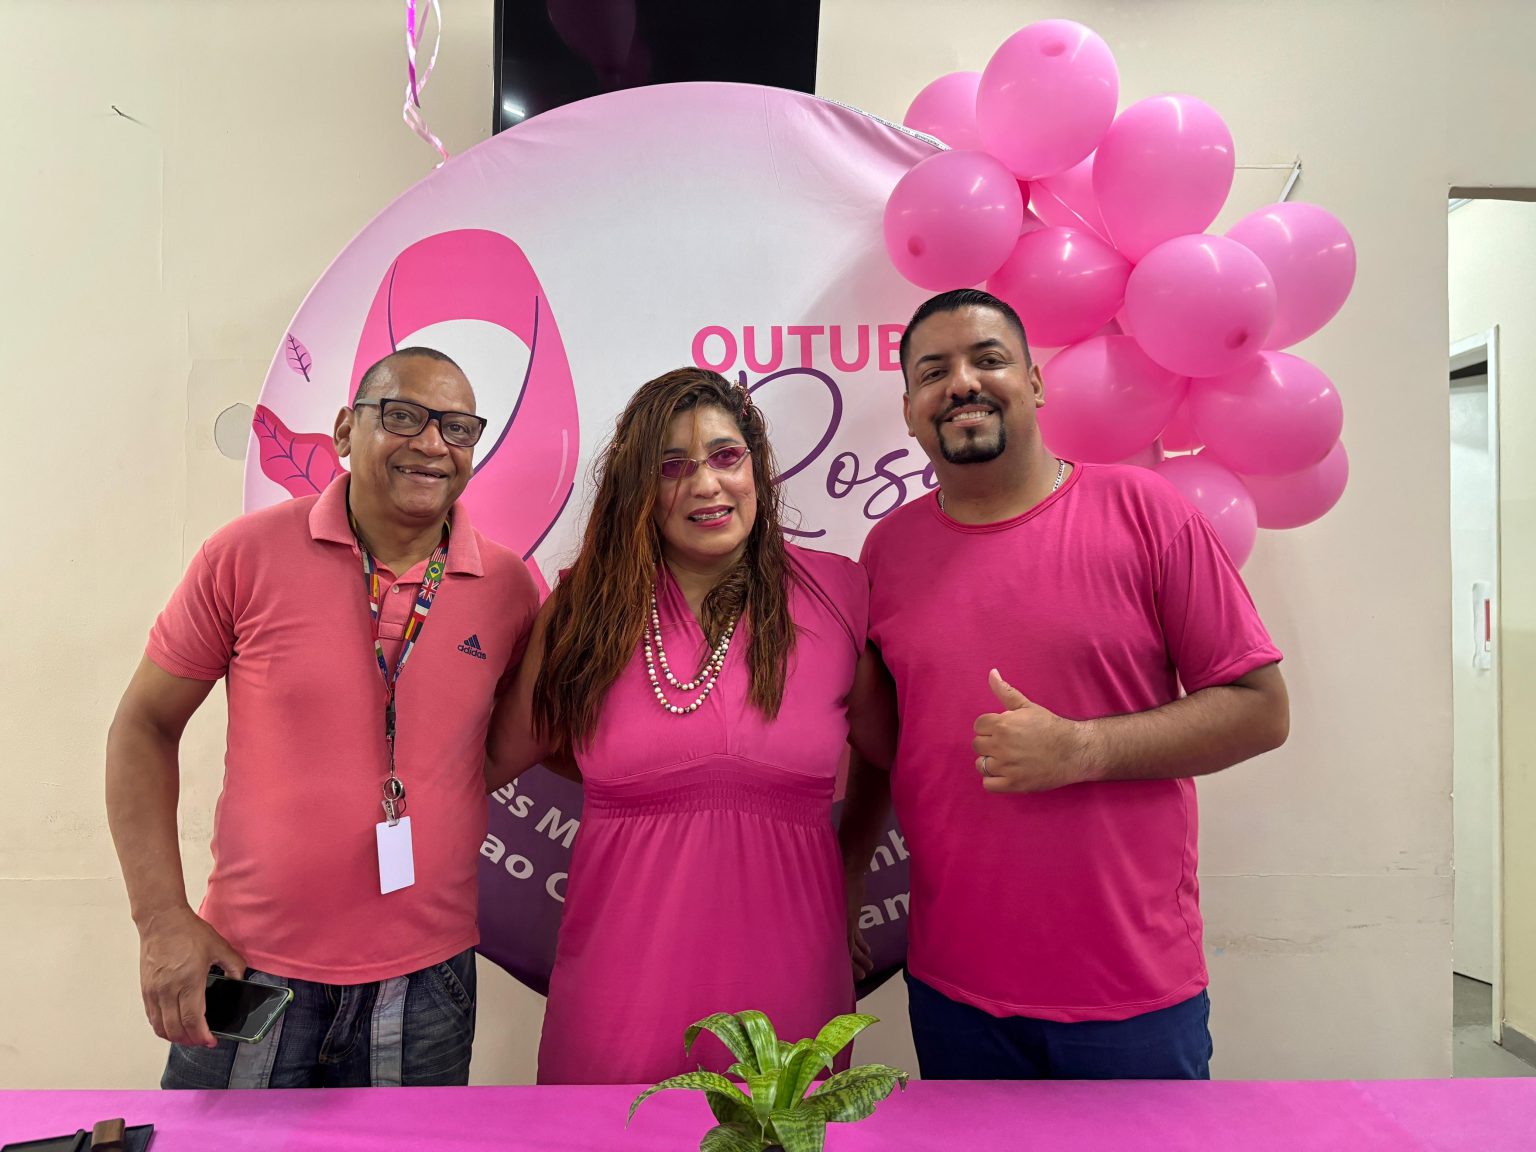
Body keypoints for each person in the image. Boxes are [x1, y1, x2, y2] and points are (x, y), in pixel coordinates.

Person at [840, 289, 1290, 1081]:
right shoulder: (888, 551)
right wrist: (845, 882)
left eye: (987, 359)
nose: (961, 383)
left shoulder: (1146, 512)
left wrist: (1083, 748)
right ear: (909, 410)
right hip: (954, 993)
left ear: (1036, 382)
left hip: (1130, 995)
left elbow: (1261, 710)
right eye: (933, 372)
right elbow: (885, 747)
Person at [106, 348, 539, 1089]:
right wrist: (160, 920)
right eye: (403, 416)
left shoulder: (506, 586)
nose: (432, 443)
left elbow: (490, 751)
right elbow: (143, 726)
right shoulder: (244, 555)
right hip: (250, 970)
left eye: (458, 428)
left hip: (429, 983)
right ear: (345, 429)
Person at [485, 367, 892, 1085]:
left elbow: (896, 756)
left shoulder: (835, 594)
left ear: (756, 466)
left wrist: (854, 873)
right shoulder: (585, 611)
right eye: (672, 466)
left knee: (780, 1127)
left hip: (792, 980)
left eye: (726, 456)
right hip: (620, 992)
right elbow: (488, 759)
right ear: (640, 488)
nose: (706, 484)